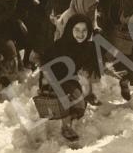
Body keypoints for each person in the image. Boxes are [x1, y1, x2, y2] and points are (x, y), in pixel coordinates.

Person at [40, 14, 100, 142]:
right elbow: (45, 65)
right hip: (52, 79)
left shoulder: (86, 47)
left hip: (69, 79)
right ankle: (65, 127)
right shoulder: (59, 46)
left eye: (84, 30)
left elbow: (90, 66)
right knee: (65, 99)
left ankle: (72, 114)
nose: (81, 34)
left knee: (79, 106)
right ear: (70, 29)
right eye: (76, 30)